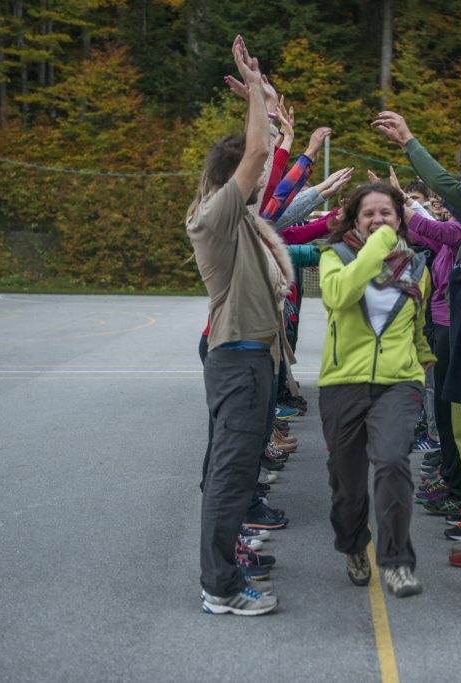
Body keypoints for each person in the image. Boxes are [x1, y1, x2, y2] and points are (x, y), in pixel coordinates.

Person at [185, 35, 288, 617]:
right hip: (238, 360)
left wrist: (267, 103)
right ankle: (220, 586)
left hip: (252, 360)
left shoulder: (239, 217)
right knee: (229, 476)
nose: (264, 166)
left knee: (236, 471)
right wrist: (252, 92)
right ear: (233, 178)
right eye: (254, 165)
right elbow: (254, 158)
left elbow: (263, 161)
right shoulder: (215, 218)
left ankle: (222, 571)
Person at [317, 183, 437, 598]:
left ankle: (398, 562)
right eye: (368, 213)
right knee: (346, 487)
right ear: (355, 220)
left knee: (391, 463)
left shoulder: (418, 267)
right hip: (342, 383)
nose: (378, 220)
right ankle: (352, 546)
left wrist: (422, 360)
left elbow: (417, 322)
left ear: (401, 217)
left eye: (386, 213)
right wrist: (379, 244)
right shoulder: (336, 257)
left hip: (398, 383)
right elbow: (337, 295)